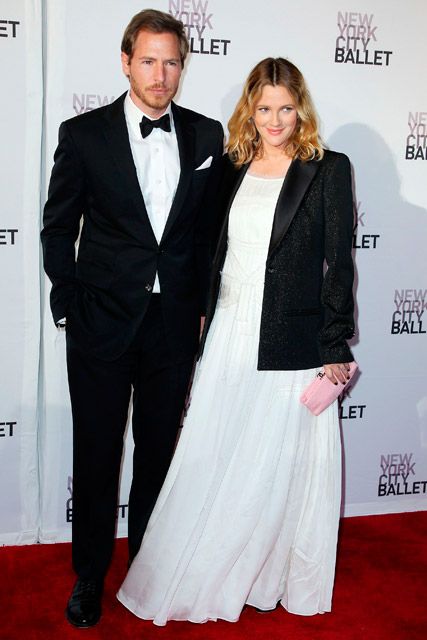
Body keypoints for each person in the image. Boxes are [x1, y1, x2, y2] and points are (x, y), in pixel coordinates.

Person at [117, 57, 355, 625]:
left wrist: (334, 347)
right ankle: (205, 566)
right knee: (216, 456)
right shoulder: (231, 166)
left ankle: (267, 572)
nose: (275, 120)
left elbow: (338, 264)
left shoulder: (328, 168)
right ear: (251, 109)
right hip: (227, 330)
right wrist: (197, 314)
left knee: (276, 467)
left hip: (291, 339)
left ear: (302, 109)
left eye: (286, 109)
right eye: (264, 108)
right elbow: (208, 251)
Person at [41, 9, 223, 628]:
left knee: (157, 455)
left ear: (182, 66)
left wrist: (204, 306)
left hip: (172, 322)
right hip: (100, 319)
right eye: (148, 60)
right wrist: (66, 300)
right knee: (95, 451)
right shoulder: (84, 134)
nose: (161, 74)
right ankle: (89, 576)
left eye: (171, 61)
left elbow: (206, 236)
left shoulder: (206, 136)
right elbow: (58, 225)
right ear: (125, 63)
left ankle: (147, 567)